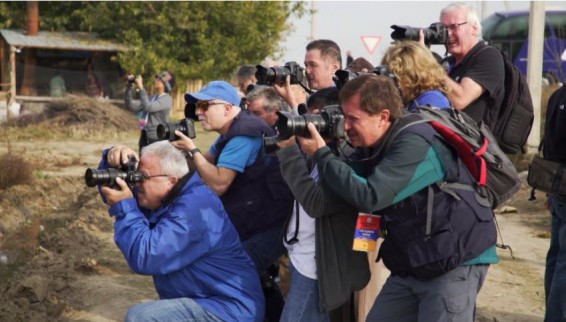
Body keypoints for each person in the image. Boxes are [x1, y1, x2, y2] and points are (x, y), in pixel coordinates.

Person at [296, 74, 498, 322]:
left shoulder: (415, 143)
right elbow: (345, 181)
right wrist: (329, 151)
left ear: (382, 116)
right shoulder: (374, 145)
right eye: (343, 117)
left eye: (353, 119)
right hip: (414, 262)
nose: (345, 126)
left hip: (454, 260)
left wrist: (322, 155)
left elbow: (370, 196)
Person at [97, 141, 265, 322]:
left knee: (142, 317)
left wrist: (124, 207)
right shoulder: (165, 199)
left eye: (142, 176)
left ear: (171, 181)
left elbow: (147, 257)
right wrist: (112, 160)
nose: (136, 183)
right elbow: (116, 194)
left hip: (229, 310)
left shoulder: (195, 208)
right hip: (207, 299)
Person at [171, 80, 294, 321]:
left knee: (233, 275)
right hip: (255, 220)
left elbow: (218, 183)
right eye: (198, 106)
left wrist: (193, 151)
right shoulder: (232, 130)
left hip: (270, 224)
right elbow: (200, 167)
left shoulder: (244, 134)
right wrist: (169, 159)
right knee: (252, 278)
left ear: (227, 108)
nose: (198, 112)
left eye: (205, 106)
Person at [275, 87, 370, 322]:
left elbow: (316, 204)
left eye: (317, 118)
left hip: (318, 266)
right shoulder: (318, 152)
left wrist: (288, 152)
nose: (311, 124)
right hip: (300, 254)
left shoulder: (346, 160)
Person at [440, 2, 504, 129]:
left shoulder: (488, 57)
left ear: (473, 28)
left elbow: (460, 100)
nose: (447, 33)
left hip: (473, 146)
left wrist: (429, 67)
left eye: (454, 26)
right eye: (443, 28)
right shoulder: (447, 63)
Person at [543, 84, 566, 322]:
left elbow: (549, 144)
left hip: (557, 186)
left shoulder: (557, 95)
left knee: (556, 257)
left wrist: (549, 191)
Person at [381, 40, 451, 111]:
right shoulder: (413, 100)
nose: (391, 84)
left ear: (411, 76)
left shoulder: (431, 100)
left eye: (395, 78)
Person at [275, 39, 341, 110]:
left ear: (334, 67)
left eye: (313, 65)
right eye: (306, 65)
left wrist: (293, 102)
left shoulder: (344, 99)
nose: (307, 71)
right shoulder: (314, 98)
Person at [124, 71, 174, 152]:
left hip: (157, 137)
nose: (156, 81)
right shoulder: (151, 98)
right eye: (156, 79)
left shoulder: (167, 99)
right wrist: (129, 86)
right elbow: (130, 105)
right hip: (145, 135)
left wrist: (140, 87)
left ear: (166, 84)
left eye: (159, 80)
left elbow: (149, 107)